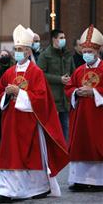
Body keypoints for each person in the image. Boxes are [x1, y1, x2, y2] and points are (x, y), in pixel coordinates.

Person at [0, 24, 69, 203]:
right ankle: (6, 190)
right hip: (11, 121)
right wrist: (7, 93)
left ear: (27, 52)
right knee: (10, 154)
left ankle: (37, 188)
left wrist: (20, 93)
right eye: (15, 49)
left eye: (21, 49)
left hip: (29, 122)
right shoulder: (9, 72)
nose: (17, 52)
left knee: (29, 155)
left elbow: (41, 98)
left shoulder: (36, 72)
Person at [64, 25, 103, 192]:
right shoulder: (79, 71)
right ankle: (79, 179)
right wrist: (75, 92)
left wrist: (94, 92)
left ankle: (98, 181)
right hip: (80, 115)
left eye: (90, 51)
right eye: (85, 51)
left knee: (96, 145)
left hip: (98, 116)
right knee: (80, 145)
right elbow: (69, 88)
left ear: (98, 51)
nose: (87, 54)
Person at [37, 29, 75, 141]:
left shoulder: (68, 55)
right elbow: (40, 75)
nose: (64, 40)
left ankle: (66, 155)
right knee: (53, 130)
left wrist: (71, 80)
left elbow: (74, 72)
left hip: (66, 99)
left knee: (66, 129)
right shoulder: (45, 55)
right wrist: (59, 79)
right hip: (52, 99)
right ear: (54, 39)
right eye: (61, 38)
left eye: (64, 38)